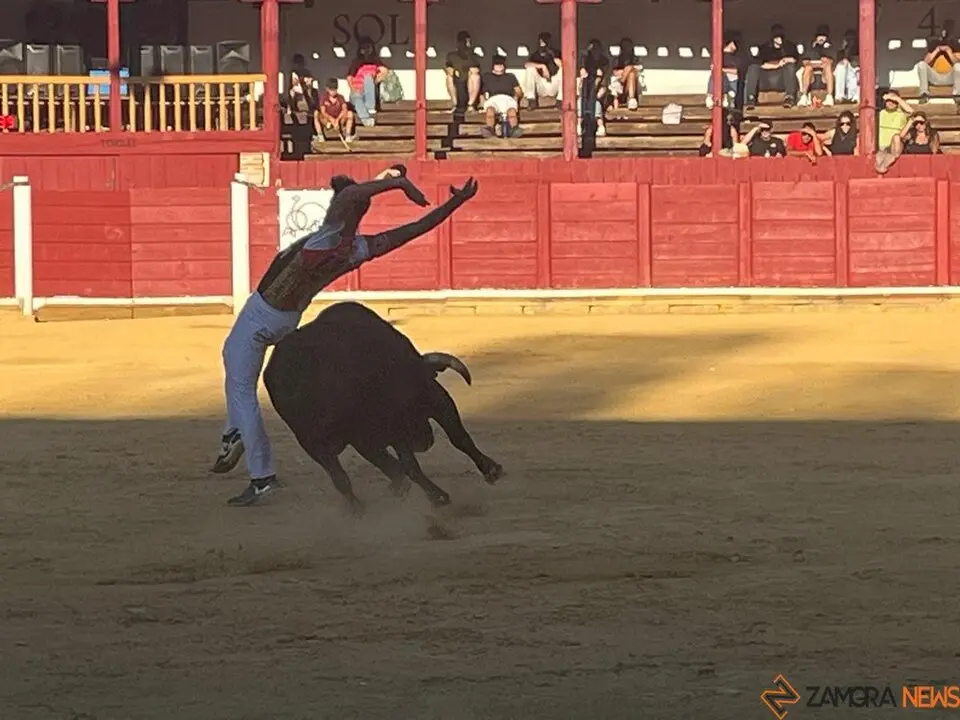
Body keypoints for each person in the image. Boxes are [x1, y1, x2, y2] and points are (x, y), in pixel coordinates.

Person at [213, 167, 480, 506]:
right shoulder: (359, 248)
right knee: (238, 385)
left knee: (241, 390)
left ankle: (260, 474)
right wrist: (455, 203)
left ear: (340, 207)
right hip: (288, 320)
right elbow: (416, 228)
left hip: (260, 317)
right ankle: (233, 431)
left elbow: (351, 197)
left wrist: (396, 183)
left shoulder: (328, 234)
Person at [523, 31, 562, 109]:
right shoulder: (535, 55)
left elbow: (562, 66)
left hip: (553, 84)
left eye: (544, 42)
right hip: (542, 86)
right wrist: (543, 66)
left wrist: (552, 54)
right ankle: (531, 100)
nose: (542, 44)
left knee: (563, 70)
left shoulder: (556, 53)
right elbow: (526, 65)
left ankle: (560, 100)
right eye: (540, 42)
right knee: (530, 69)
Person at [445, 30, 481, 112]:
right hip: (457, 81)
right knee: (449, 77)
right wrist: (454, 72)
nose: (465, 44)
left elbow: (475, 69)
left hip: (469, 83)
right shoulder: (451, 56)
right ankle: (455, 104)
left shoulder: (473, 56)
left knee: (475, 76)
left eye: (467, 41)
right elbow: (448, 68)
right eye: (463, 41)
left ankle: (470, 105)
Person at [315, 77, 356, 142]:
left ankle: (348, 136)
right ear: (327, 89)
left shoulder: (340, 97)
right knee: (316, 113)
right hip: (327, 120)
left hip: (339, 120)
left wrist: (337, 120)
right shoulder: (323, 97)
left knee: (350, 113)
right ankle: (320, 136)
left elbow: (344, 109)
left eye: (335, 90)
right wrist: (331, 119)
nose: (333, 92)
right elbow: (323, 111)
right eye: (331, 90)